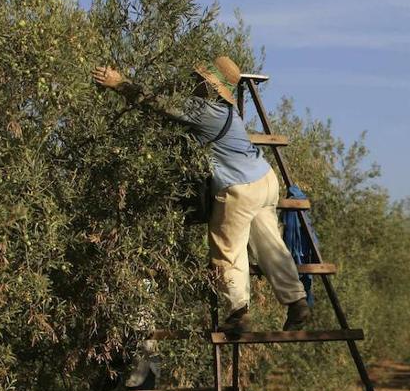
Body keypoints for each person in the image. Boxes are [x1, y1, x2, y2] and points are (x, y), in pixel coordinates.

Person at [90, 57, 310, 332]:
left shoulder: (203, 110)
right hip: (265, 180)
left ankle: (237, 313)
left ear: (209, 86)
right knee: (270, 246)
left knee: (228, 250)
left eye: (198, 80)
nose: (192, 83)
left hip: (239, 187)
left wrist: (119, 83)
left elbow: (158, 104)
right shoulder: (230, 113)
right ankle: (296, 301)